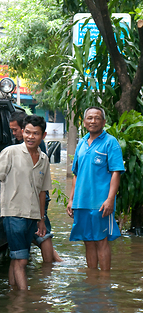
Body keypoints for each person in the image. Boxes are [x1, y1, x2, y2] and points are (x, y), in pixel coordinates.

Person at [0, 115, 52, 290]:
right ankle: (24, 298)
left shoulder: (44, 160)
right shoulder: (10, 152)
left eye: (36, 134)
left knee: (17, 258)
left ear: (43, 136)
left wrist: (42, 218)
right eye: (28, 132)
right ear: (23, 132)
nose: (31, 137)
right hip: (13, 213)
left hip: (32, 216)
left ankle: (12, 293)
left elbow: (42, 192)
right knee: (22, 259)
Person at [0, 111, 62, 263]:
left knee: (43, 233)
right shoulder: (18, 147)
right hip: (24, 202)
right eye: (23, 132)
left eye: (15, 129)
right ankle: (52, 267)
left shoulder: (35, 147)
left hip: (34, 196)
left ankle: (50, 268)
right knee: (25, 251)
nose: (15, 133)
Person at [67, 106, 124, 271]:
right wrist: (71, 200)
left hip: (100, 203)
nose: (93, 121)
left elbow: (116, 172)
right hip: (81, 203)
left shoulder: (110, 142)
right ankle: (92, 280)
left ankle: (104, 283)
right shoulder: (82, 143)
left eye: (97, 118)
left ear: (104, 122)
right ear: (84, 122)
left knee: (101, 241)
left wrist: (110, 199)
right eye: (89, 118)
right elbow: (76, 174)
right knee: (88, 241)